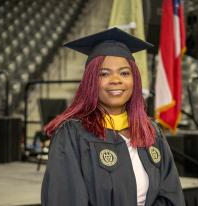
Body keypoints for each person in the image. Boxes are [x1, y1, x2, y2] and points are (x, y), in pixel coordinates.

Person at [41, 27, 185, 206]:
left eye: (124, 73)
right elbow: (66, 198)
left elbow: (171, 196)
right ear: (91, 81)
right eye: (104, 73)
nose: (116, 80)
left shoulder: (151, 133)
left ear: (135, 80)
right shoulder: (73, 134)